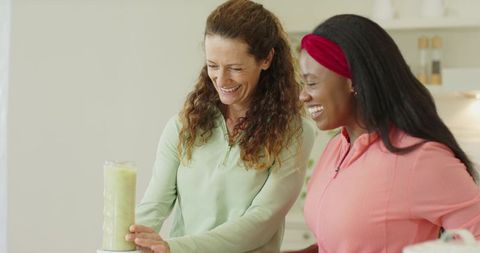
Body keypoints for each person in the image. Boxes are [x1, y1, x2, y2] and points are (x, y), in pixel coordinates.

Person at [125, 1, 315, 252]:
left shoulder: (294, 132)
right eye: (212, 66)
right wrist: (125, 244)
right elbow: (154, 205)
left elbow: (261, 222)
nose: (221, 80)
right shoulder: (185, 125)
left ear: (266, 59)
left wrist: (175, 248)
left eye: (235, 68)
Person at [285, 14, 480, 253]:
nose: (303, 96)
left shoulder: (420, 158)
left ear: (353, 81)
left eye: (312, 83)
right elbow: (344, 241)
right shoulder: (336, 148)